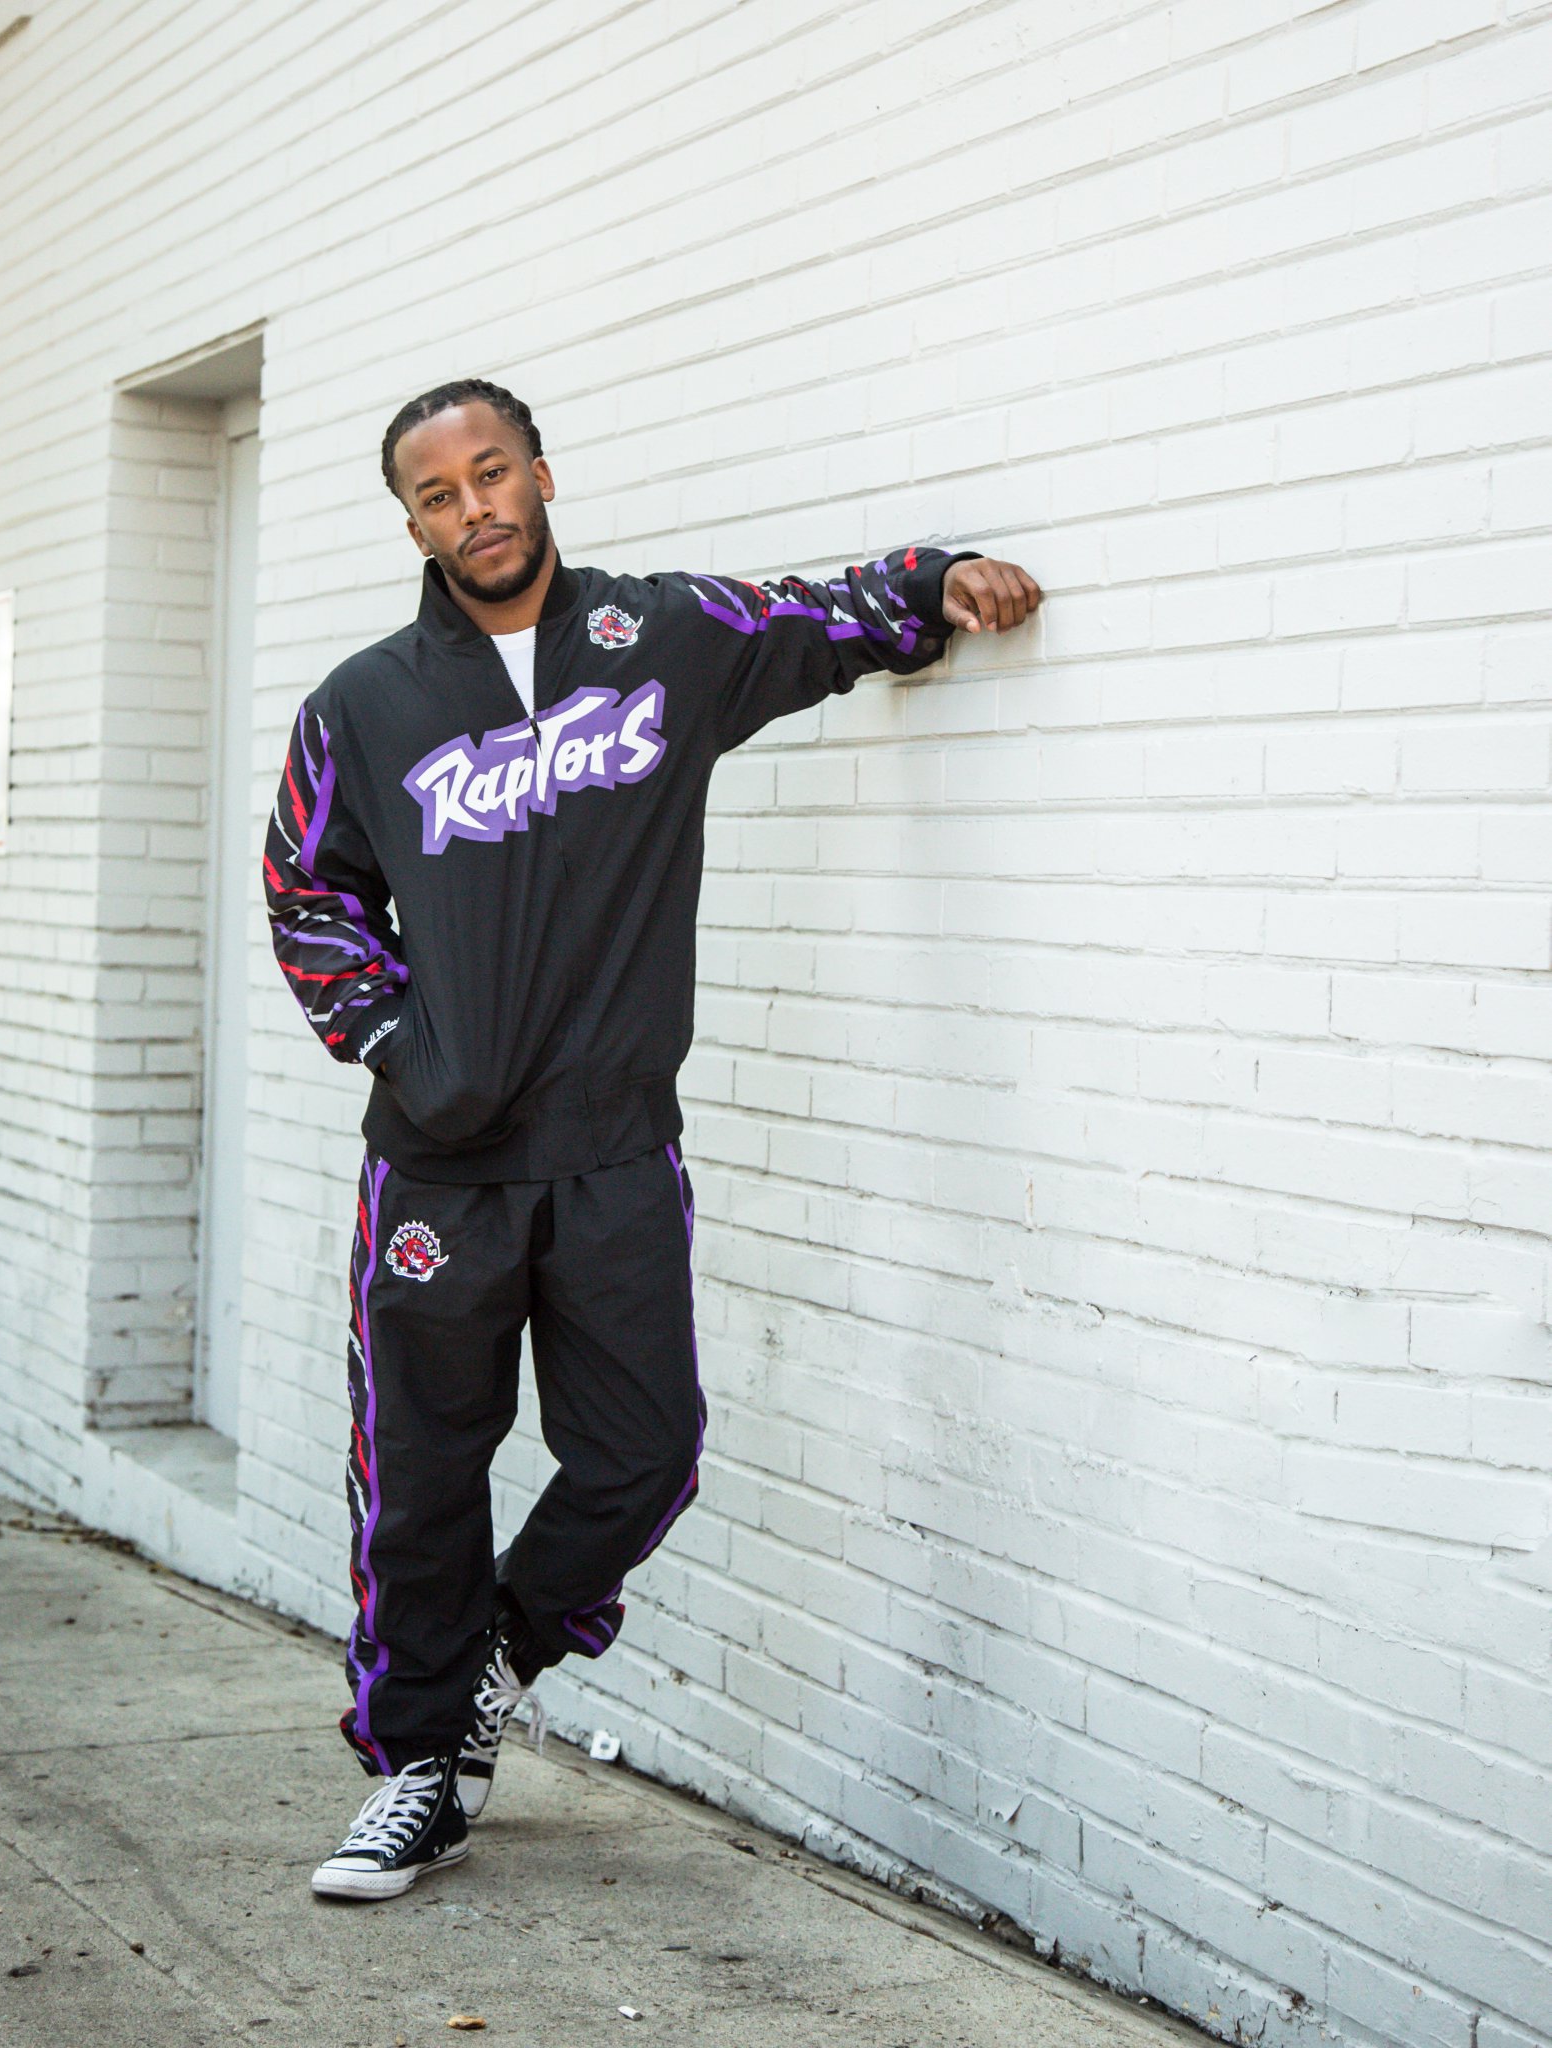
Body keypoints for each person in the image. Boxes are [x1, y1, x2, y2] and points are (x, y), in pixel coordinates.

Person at [264, 378, 1041, 1902]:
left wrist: (934, 583)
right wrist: (406, 1053)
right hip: (438, 1167)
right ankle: (418, 1768)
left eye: (493, 472)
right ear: (413, 525)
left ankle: (498, 1651)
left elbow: (815, 618)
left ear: (541, 476)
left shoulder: (659, 638)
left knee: (645, 1453)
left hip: (616, 1147)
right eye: (438, 493)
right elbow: (308, 889)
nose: (475, 507)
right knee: (421, 1476)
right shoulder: (362, 703)